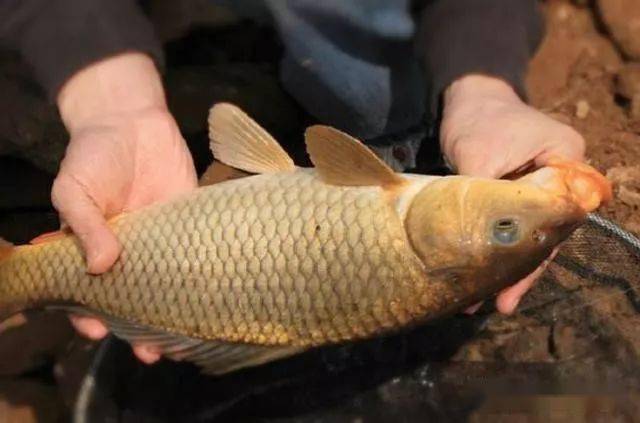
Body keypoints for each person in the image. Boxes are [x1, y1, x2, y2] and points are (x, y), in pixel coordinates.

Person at [0, 0, 585, 364]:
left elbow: (320, 150)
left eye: (507, 226)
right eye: (504, 228)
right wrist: (106, 94)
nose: (530, 208)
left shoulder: (385, 201)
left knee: (372, 98)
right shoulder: (393, 215)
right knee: (380, 106)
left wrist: (483, 88)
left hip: (171, 260)